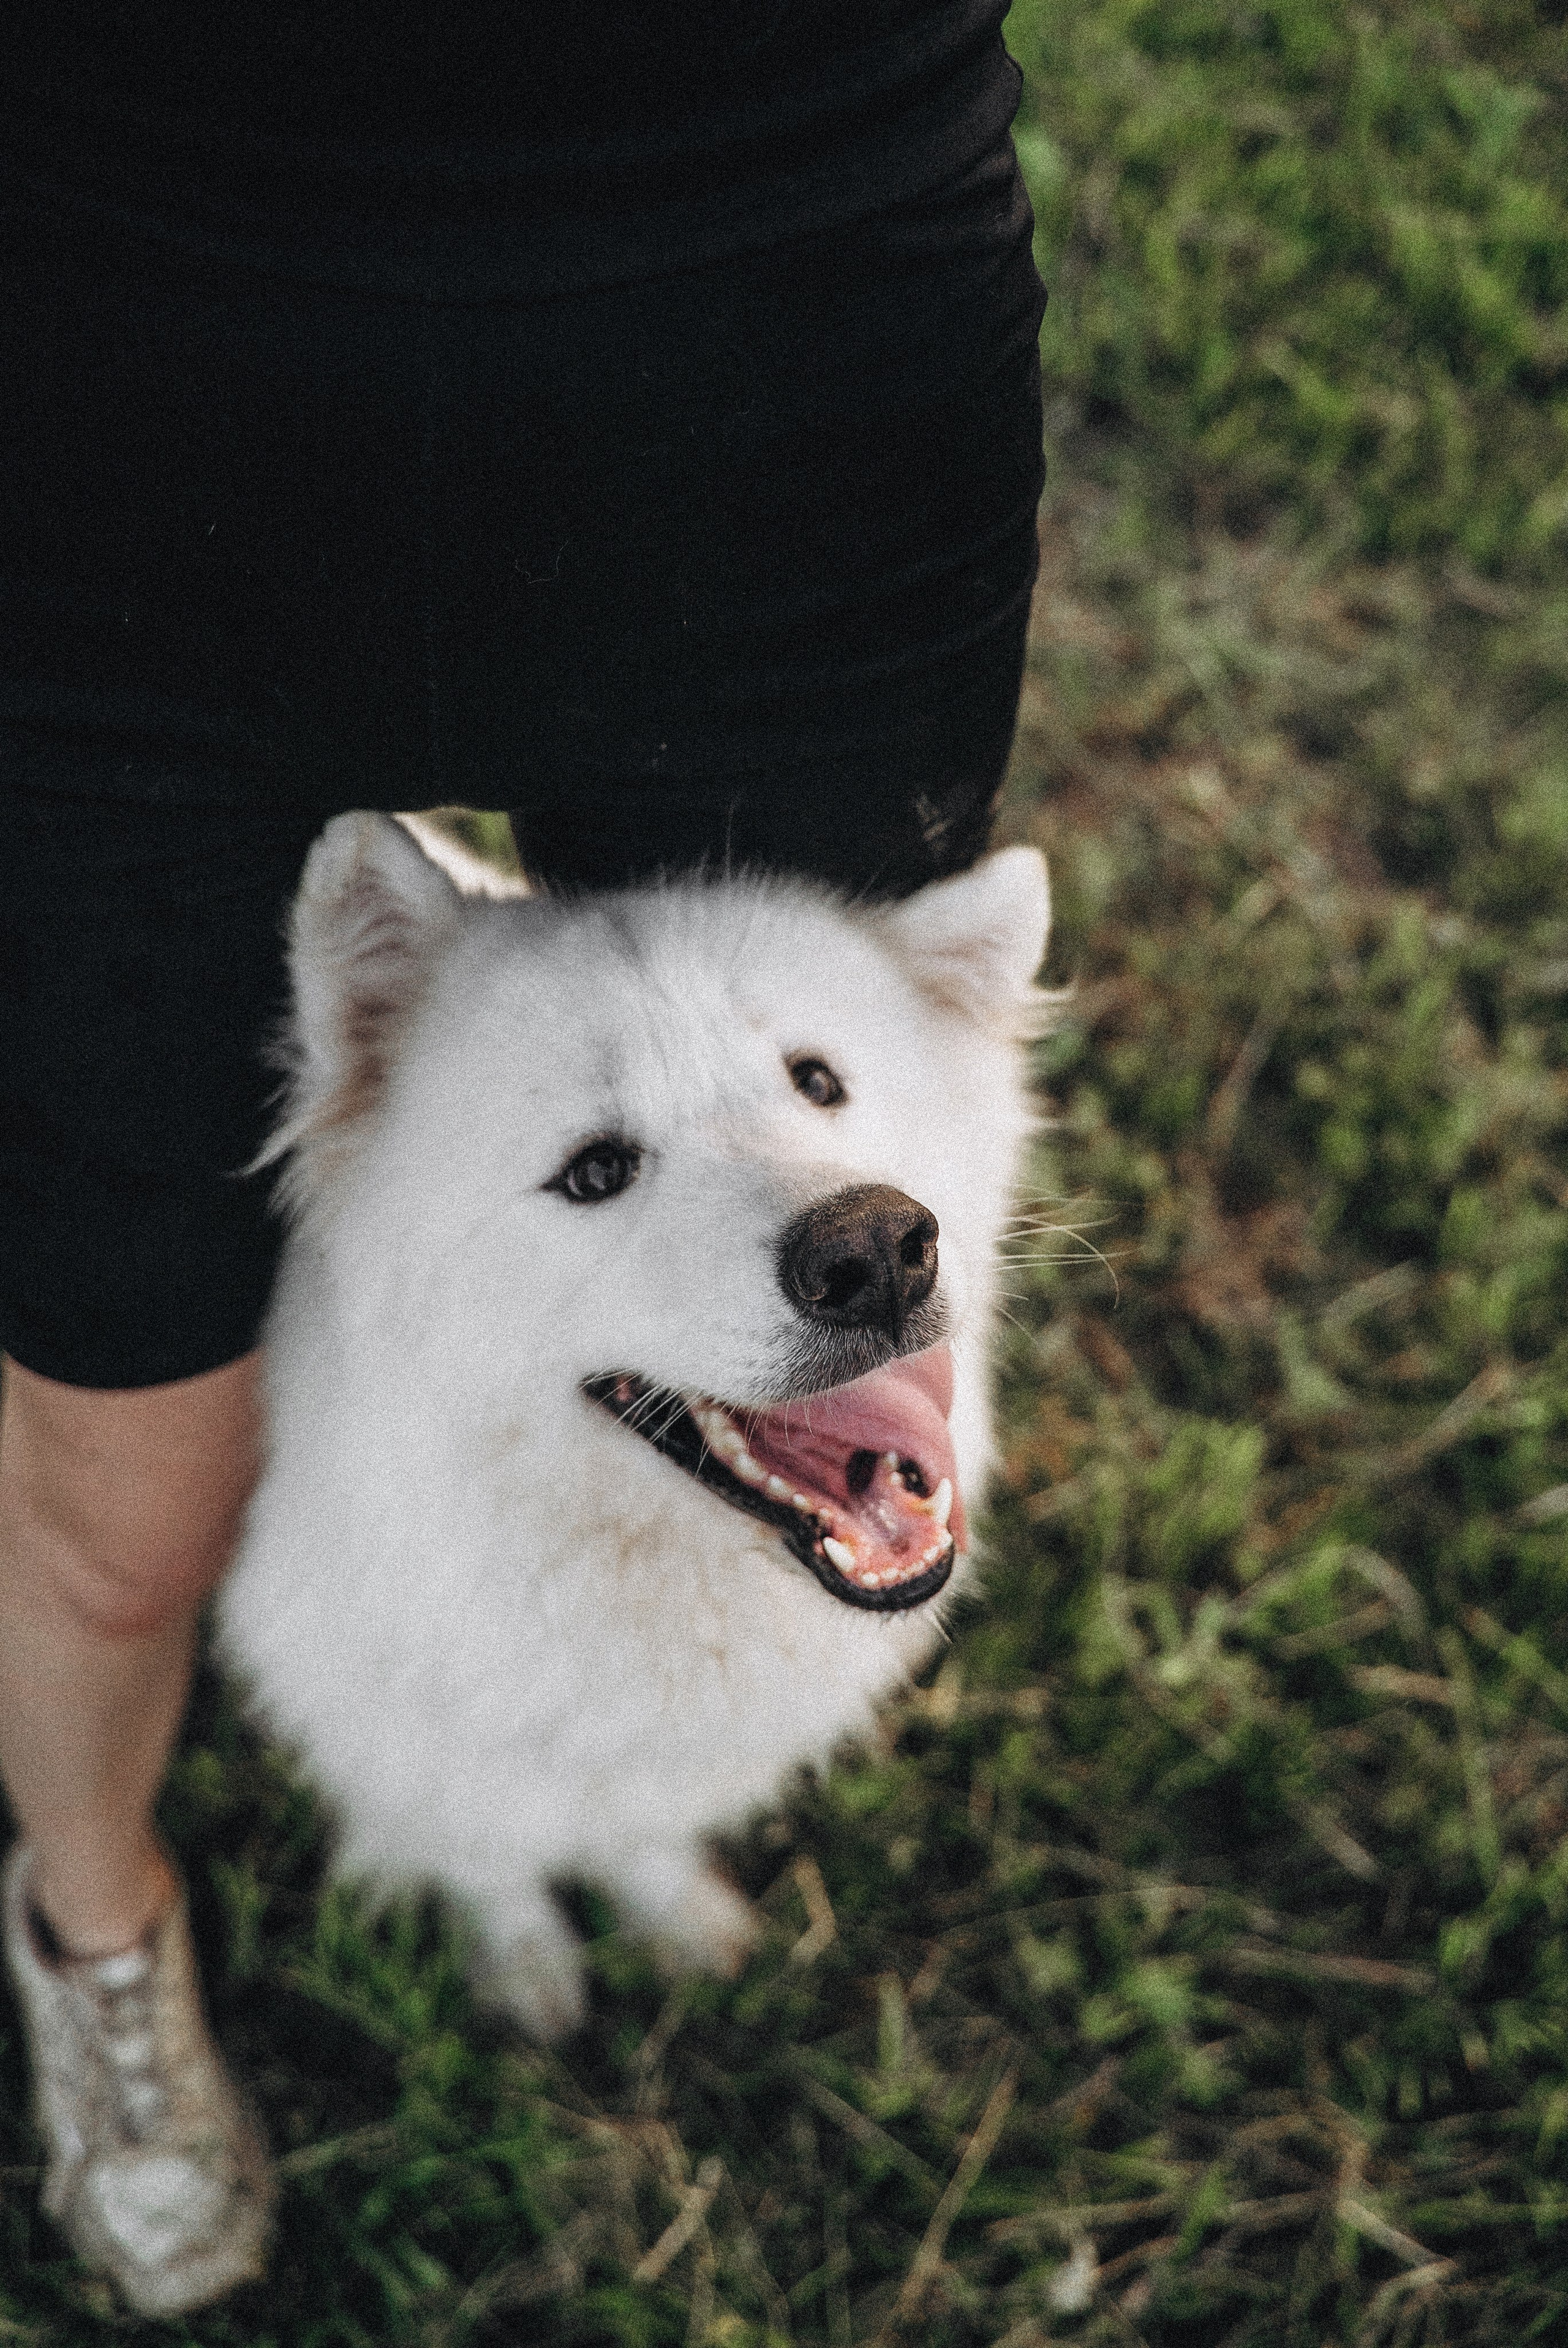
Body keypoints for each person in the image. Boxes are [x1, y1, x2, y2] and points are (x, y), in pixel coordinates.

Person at [0, 3, 1047, 2313]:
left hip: (789, 271)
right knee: (129, 1492)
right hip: (91, 317)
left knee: (812, 1337)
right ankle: (95, 1915)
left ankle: (641, 1793)